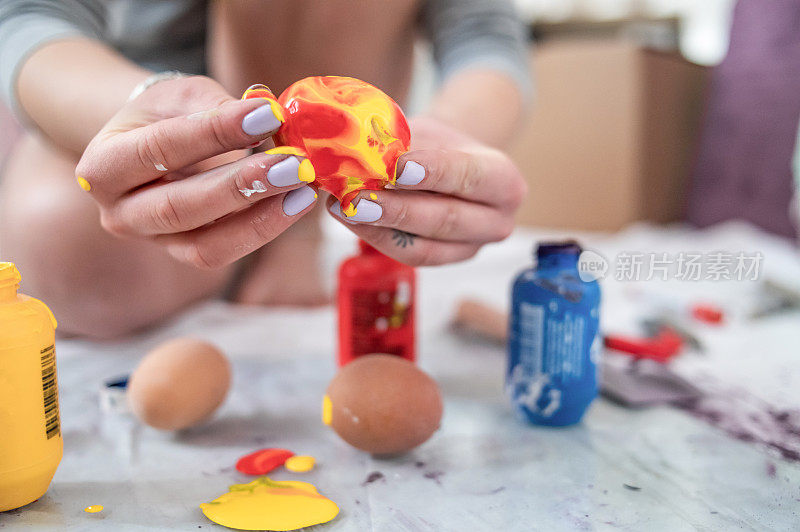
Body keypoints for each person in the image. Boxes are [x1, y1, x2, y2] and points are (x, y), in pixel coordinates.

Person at [0, 0, 530, 338]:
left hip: (301, 131)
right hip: (123, 94)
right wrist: (150, 108)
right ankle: (259, 221)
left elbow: (485, 38)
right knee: (71, 256)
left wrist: (447, 140)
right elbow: (30, 17)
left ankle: (292, 230)